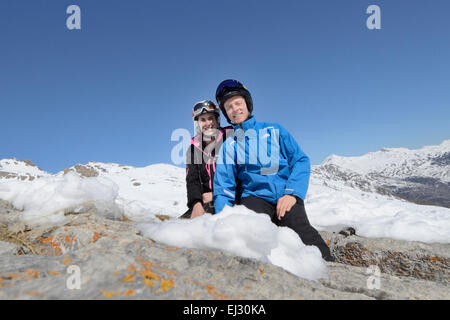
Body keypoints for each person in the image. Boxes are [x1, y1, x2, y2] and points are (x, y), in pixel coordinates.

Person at [213, 79, 335, 262]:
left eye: (238, 103)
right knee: (250, 236)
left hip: (286, 195)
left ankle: (332, 270)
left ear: (247, 104)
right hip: (255, 197)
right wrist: (222, 219)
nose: (234, 109)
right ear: (226, 113)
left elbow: (300, 160)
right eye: (229, 107)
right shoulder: (229, 145)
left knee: (302, 232)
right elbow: (224, 186)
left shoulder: (274, 130)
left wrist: (292, 194)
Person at [180, 100, 232, 219]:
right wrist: (196, 203)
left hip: (231, 198)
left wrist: (217, 194)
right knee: (176, 230)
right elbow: (192, 180)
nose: (208, 123)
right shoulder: (193, 149)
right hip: (207, 202)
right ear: (197, 124)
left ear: (217, 120)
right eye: (202, 120)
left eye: (210, 118)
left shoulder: (230, 139)